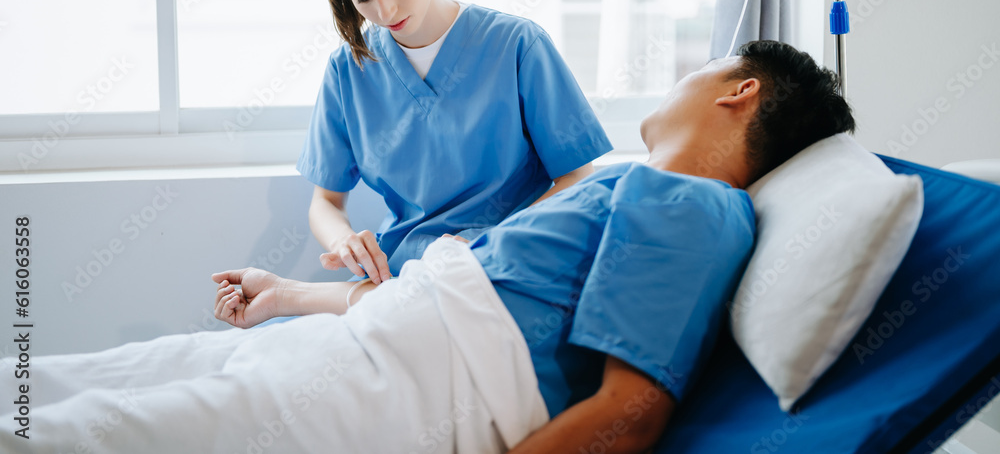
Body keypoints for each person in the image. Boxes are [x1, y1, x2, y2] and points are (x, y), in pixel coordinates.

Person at [1, 41, 855, 453]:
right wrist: (290, 295)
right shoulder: (622, 187)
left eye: (703, 66)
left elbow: (629, 415)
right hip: (360, 347)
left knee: (99, 434)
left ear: (740, 91)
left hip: (402, 396)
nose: (683, 75)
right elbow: (467, 296)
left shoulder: (695, 204)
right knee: (73, 382)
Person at [300, 0, 612, 289]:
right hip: (406, 277)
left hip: (511, 267)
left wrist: (493, 243)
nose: (386, 9)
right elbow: (326, 201)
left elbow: (578, 177)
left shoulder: (517, 46)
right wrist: (345, 241)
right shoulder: (348, 71)